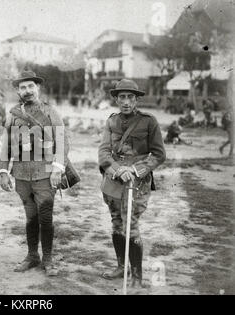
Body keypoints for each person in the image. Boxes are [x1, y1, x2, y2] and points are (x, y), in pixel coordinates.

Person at [0, 70, 70, 276]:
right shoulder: (13, 115)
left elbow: (62, 141)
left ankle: (47, 259)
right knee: (30, 217)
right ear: (18, 91)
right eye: (23, 87)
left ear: (37, 88)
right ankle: (32, 256)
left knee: (45, 217)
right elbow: (6, 145)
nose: (27, 90)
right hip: (21, 175)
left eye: (31, 86)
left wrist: (58, 168)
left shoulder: (50, 112)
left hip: (46, 175)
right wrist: (4, 171)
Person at [98, 79, 166, 287]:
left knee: (131, 226)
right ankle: (121, 267)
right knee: (117, 224)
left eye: (130, 97)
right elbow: (103, 152)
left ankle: (136, 276)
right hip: (114, 182)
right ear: (116, 99)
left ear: (136, 100)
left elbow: (159, 154)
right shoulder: (111, 121)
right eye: (122, 97)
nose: (126, 102)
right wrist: (117, 170)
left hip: (137, 184)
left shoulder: (148, 121)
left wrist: (135, 170)